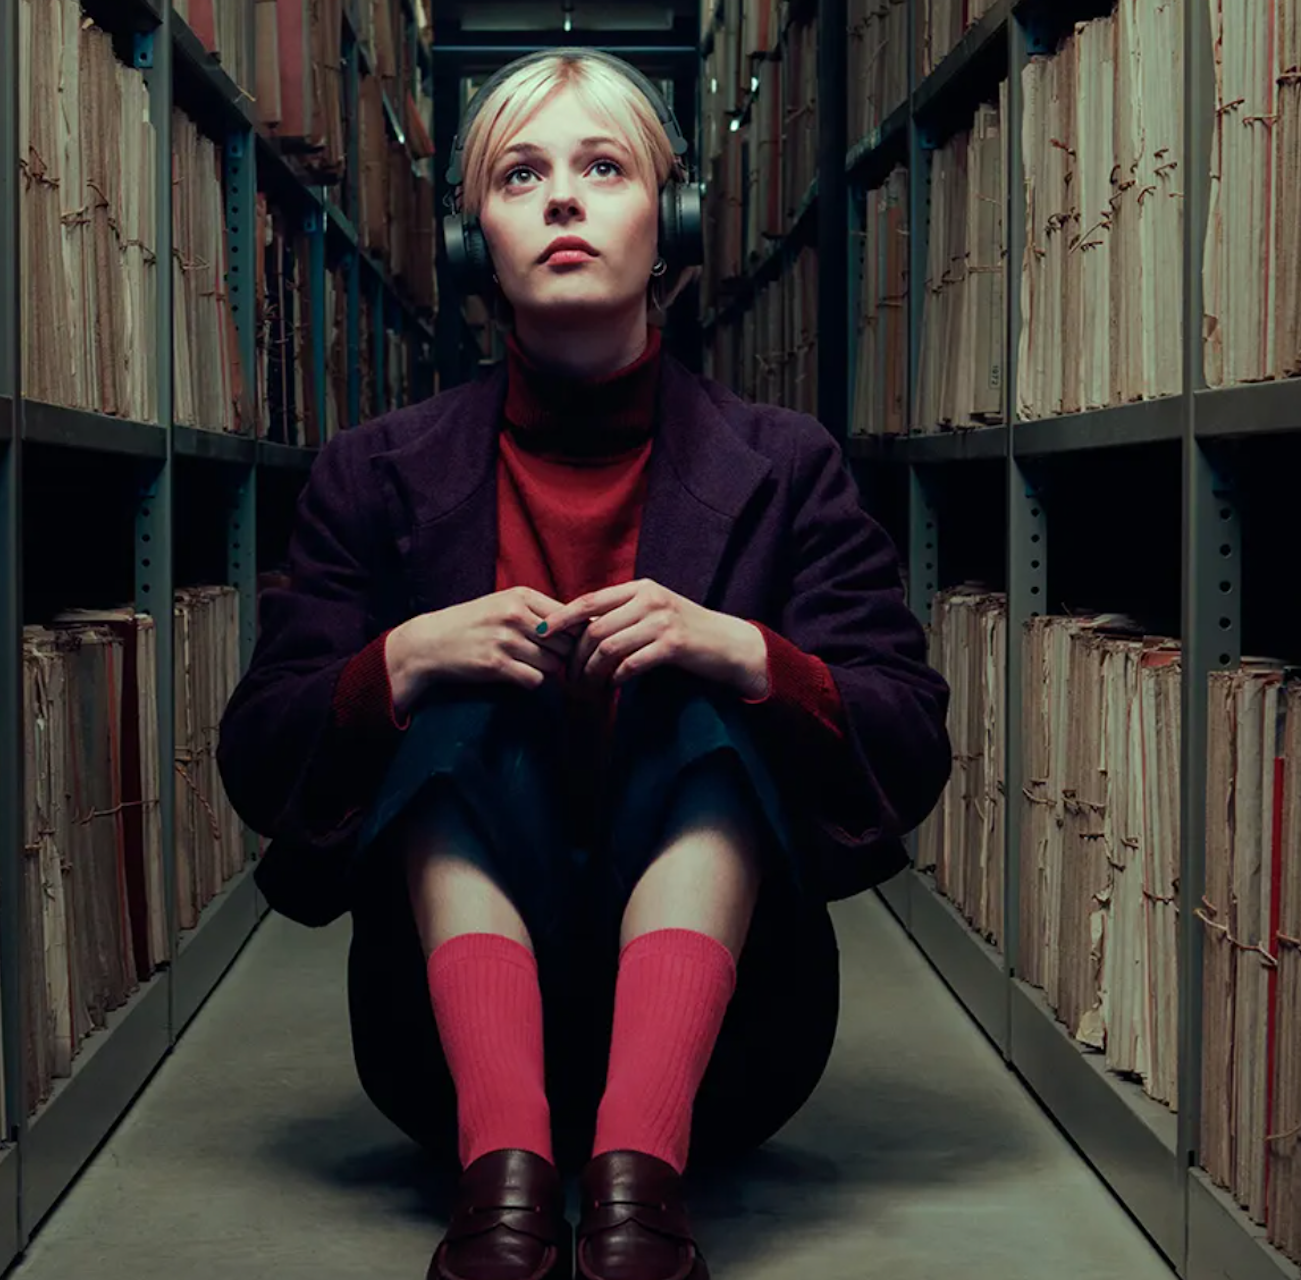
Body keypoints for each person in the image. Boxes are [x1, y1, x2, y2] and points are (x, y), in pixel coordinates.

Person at [213, 47, 951, 1280]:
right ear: (471, 247)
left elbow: (910, 735)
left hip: (727, 1051)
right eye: (520, 174)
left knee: (698, 705)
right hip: (437, 1051)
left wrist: (747, 651)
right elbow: (259, 747)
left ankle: (634, 1176)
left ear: (667, 226)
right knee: (454, 703)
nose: (561, 198)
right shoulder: (373, 470)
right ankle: (504, 1173)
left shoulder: (789, 462)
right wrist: (395, 659)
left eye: (603, 167)